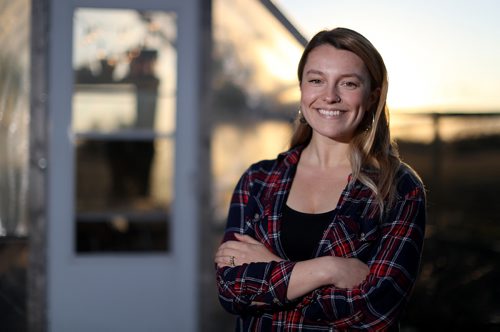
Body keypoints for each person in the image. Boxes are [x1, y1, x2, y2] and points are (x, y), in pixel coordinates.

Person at [214, 27, 426, 331]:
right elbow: (231, 291)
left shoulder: (399, 188)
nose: (329, 95)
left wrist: (270, 269)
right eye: (316, 80)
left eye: (349, 83)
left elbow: (375, 312)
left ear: (373, 96)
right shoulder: (258, 180)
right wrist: (329, 269)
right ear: (302, 87)